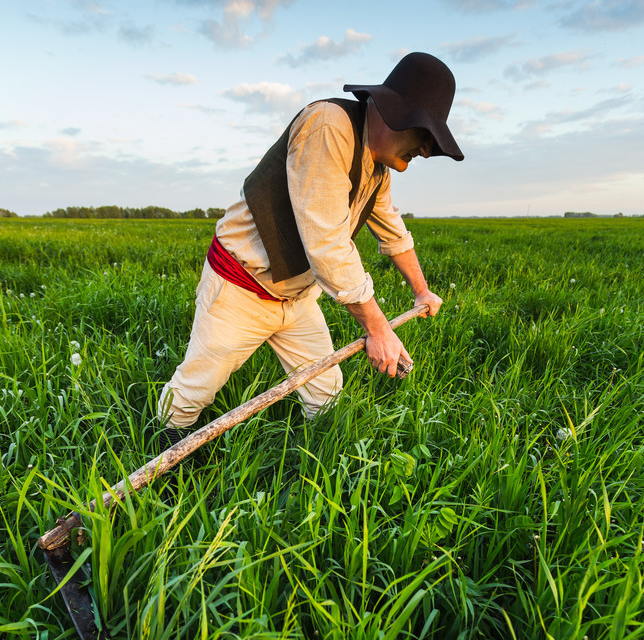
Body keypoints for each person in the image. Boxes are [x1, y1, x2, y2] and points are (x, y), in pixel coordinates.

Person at [159, 52, 463, 446]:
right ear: (393, 113)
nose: (424, 151)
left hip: (297, 297)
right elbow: (328, 245)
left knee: (325, 391)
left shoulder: (377, 169)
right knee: (195, 391)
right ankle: (163, 464)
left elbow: (393, 232)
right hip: (241, 287)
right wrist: (377, 328)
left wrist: (421, 290)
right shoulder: (328, 126)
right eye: (424, 136)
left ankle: (319, 469)